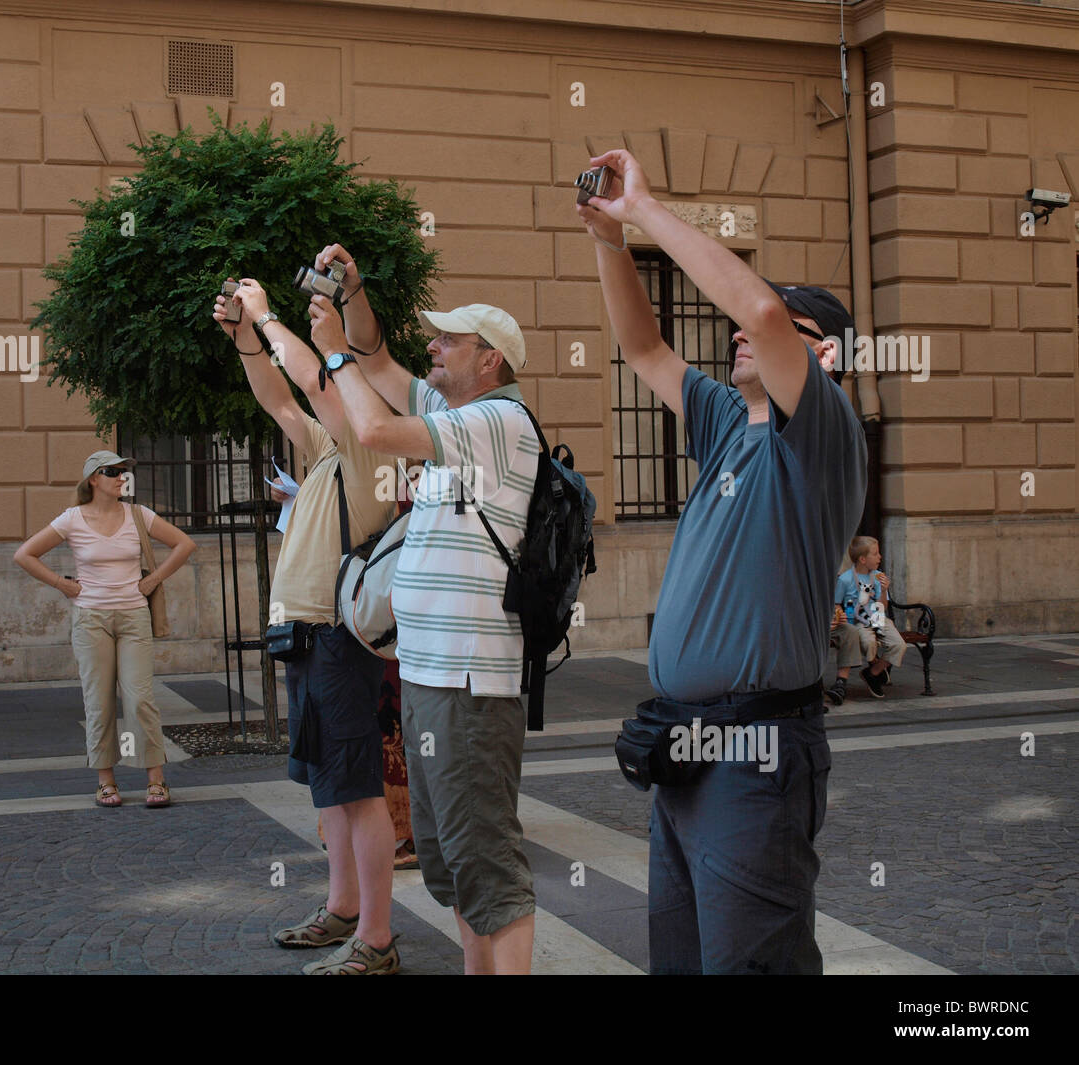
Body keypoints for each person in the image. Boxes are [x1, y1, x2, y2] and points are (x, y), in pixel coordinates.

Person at [578, 148, 866, 973]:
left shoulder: (821, 431)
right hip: (688, 746)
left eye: (778, 324)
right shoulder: (723, 423)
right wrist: (609, 241)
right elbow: (643, 348)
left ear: (828, 359)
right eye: (739, 323)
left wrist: (647, 207)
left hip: (758, 750)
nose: (743, 327)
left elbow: (766, 318)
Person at [308, 249, 539, 975]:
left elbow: (373, 426)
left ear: (490, 359)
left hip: (471, 682)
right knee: (452, 861)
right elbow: (379, 364)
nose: (431, 347)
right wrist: (353, 294)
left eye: (448, 340)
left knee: (488, 863)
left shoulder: (499, 421)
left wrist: (332, 355)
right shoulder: (455, 413)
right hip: (430, 673)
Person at [213, 275, 400, 976]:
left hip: (337, 637)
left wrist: (265, 316)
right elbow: (281, 400)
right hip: (304, 634)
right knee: (329, 785)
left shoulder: (368, 447)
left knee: (357, 787)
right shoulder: (328, 453)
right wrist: (243, 342)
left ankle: (377, 938)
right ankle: (342, 907)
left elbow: (316, 381)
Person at [14, 451, 195, 808]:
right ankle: (105, 782)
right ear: (93, 480)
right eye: (113, 472)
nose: (121, 477)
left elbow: (184, 544)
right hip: (91, 618)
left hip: (133, 617)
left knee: (139, 697)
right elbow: (25, 555)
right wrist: (61, 584)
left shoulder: (139, 515)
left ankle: (156, 780)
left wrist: (153, 579)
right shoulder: (72, 519)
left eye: (123, 471)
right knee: (98, 702)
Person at [836, 535, 906, 698]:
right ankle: (876, 668)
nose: (879, 557)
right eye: (875, 554)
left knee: (899, 644)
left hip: (878, 617)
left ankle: (873, 672)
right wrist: (840, 615)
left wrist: (883, 590)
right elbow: (836, 603)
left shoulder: (878, 576)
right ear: (862, 559)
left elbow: (884, 607)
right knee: (868, 642)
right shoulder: (846, 579)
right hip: (858, 620)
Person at [823, 603, 864, 706]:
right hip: (803, 627)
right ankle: (811, 686)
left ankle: (840, 683)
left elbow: (835, 604)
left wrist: (839, 615)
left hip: (824, 623)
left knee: (849, 631)